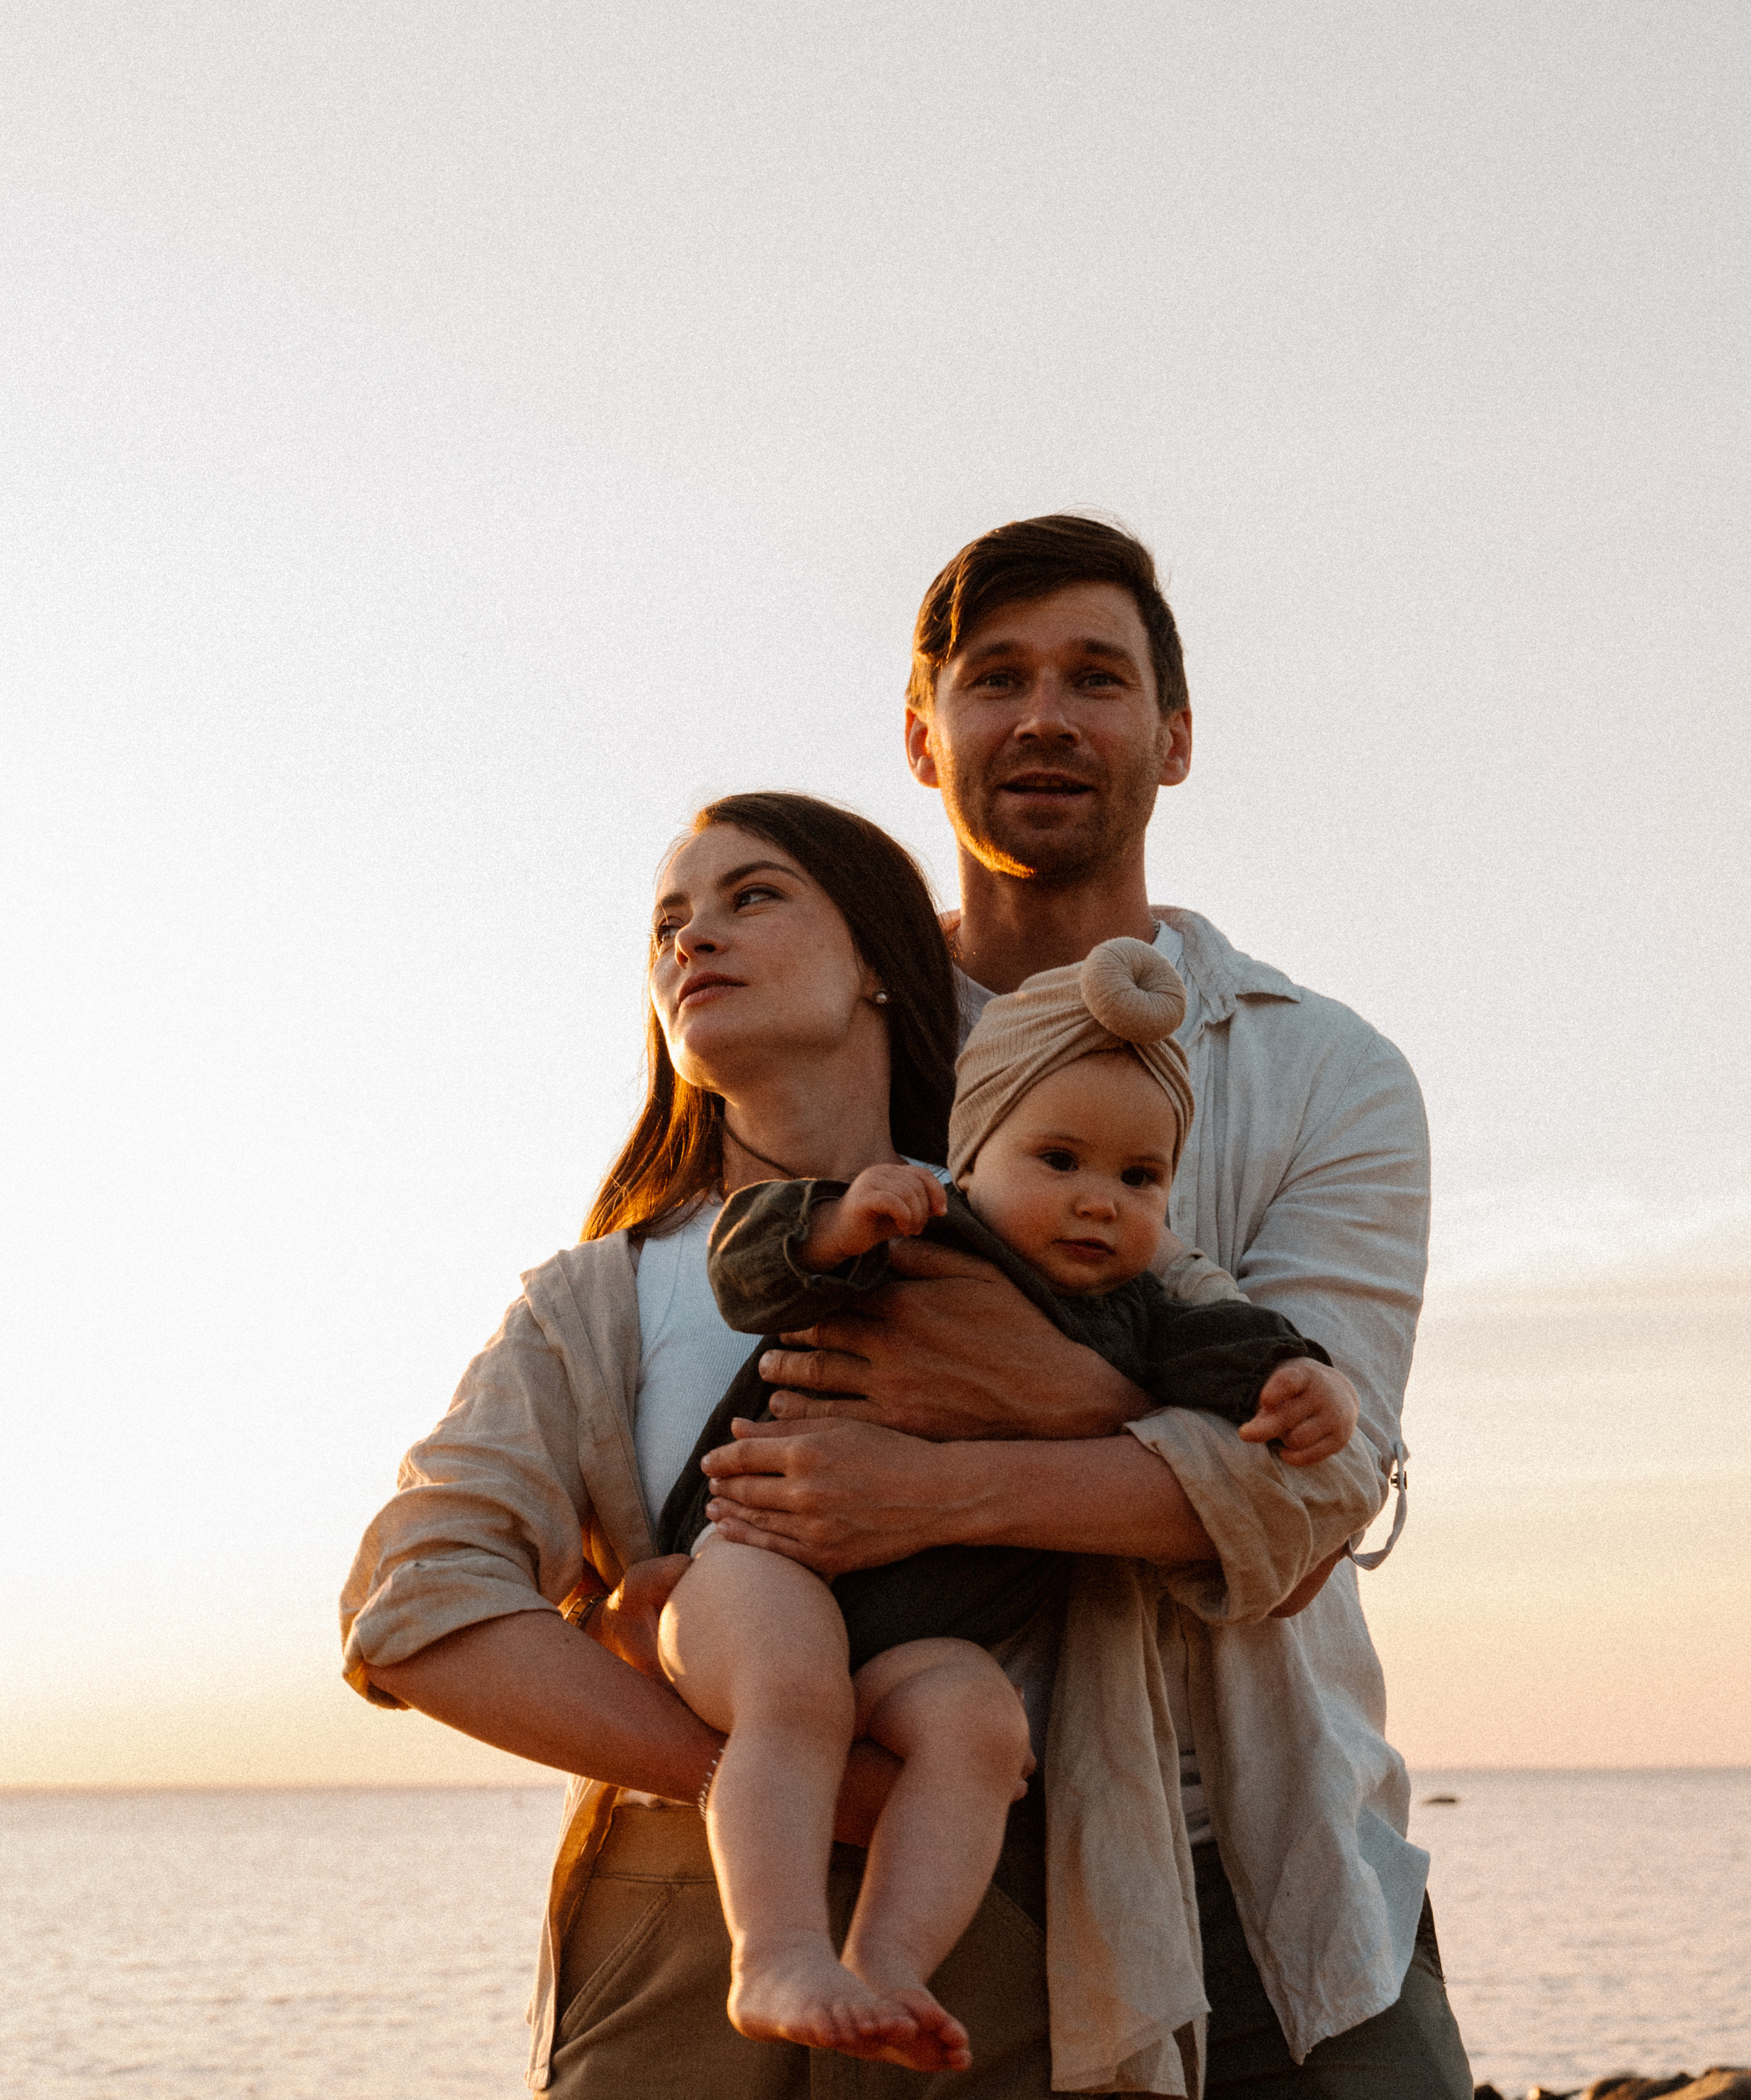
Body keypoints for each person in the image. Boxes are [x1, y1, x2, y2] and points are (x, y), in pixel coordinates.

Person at [341, 791, 1368, 2099]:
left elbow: (1301, 1516)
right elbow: (414, 1605)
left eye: (752, 896)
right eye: (667, 921)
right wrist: (796, 1778)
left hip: (988, 1911)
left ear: (887, 959)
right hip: (678, 1920)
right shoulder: (595, 1301)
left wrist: (1042, 1423)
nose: (693, 939)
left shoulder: (1057, 1227)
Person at [693, 516, 1477, 2100]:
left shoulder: (1325, 1070)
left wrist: (955, 1459)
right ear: (922, 736)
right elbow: (679, 1380)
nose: (1043, 715)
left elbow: (1319, 1481)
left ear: (1171, 736)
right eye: (995, 679)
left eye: (1095, 678)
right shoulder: (817, 1035)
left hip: (1268, 1847)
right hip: (914, 1851)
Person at [649, 938, 1359, 2073]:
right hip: (757, 1562)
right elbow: (747, 1268)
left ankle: (888, 1968)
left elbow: (1246, 1370)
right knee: (794, 1691)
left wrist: (1308, 1384)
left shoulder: (1145, 1314)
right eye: (1061, 1158)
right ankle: (776, 1952)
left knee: (983, 1731)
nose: (1099, 1203)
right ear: (973, 1153)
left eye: (1139, 1178)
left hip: (917, 1643)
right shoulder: (915, 1228)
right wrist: (841, 1222)